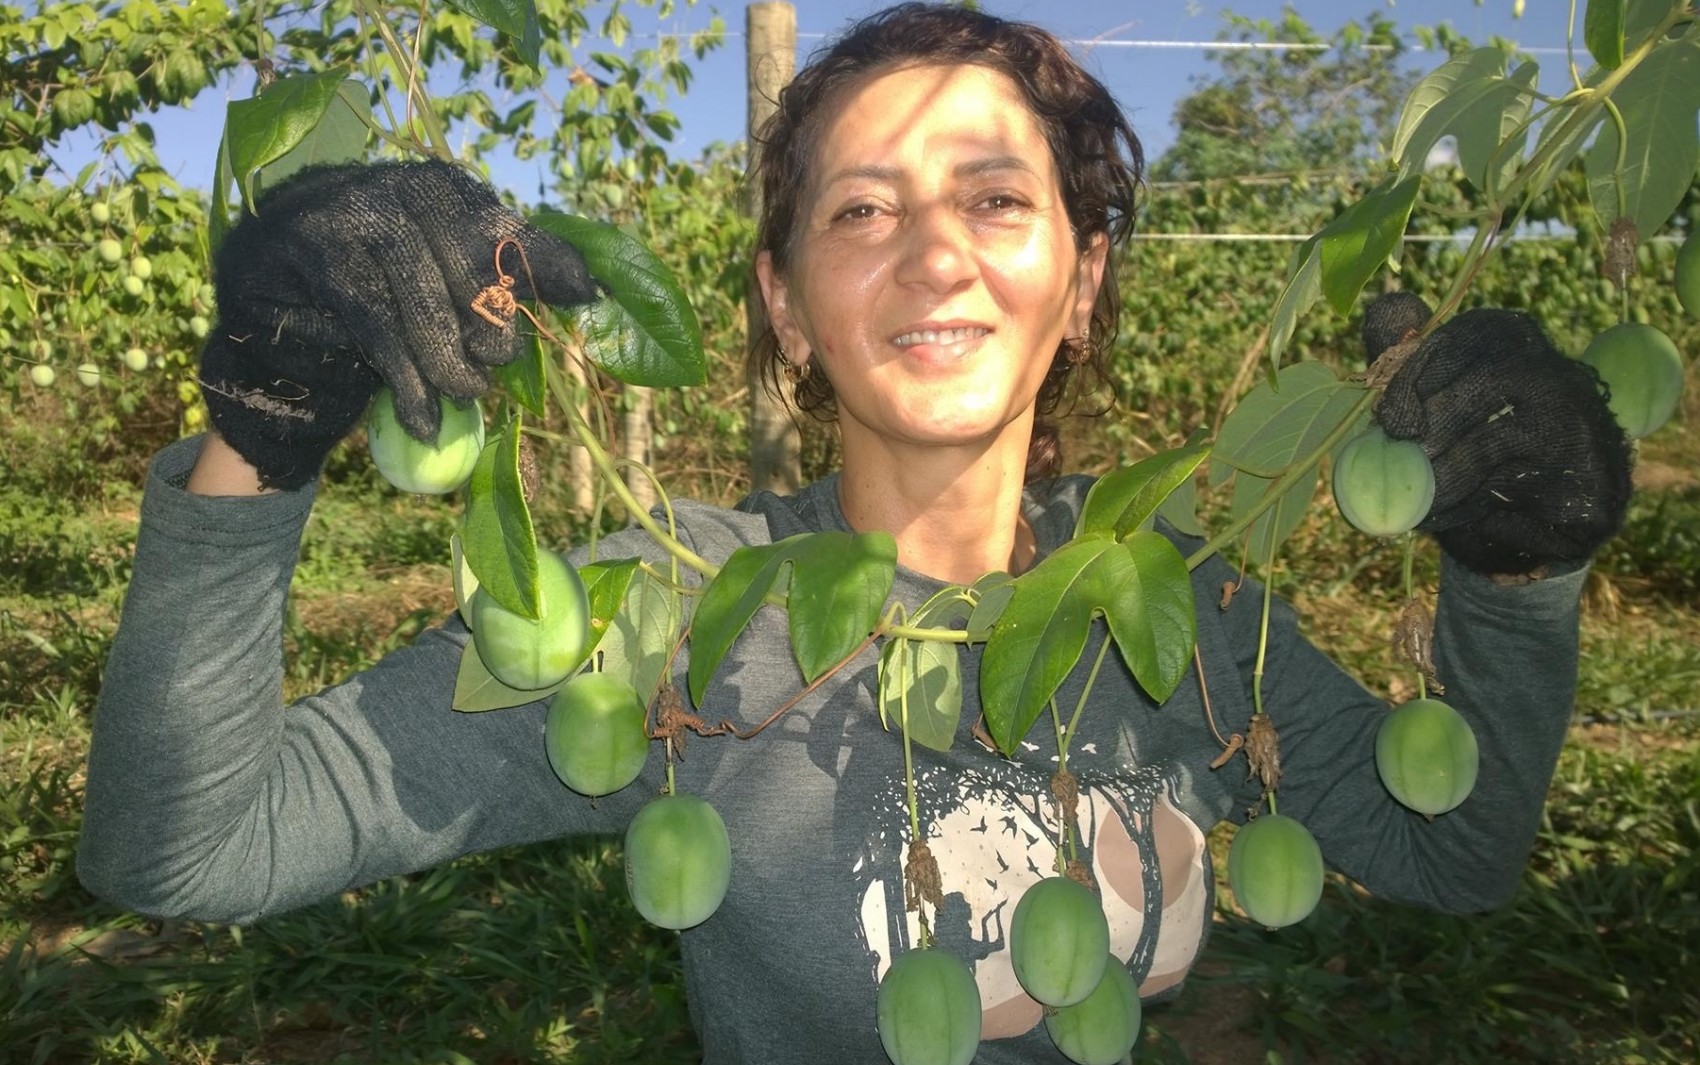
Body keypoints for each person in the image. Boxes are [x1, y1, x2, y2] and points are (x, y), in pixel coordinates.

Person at [77, 4, 1634, 1062]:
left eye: (997, 201)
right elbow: (187, 847)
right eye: (862, 212)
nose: (935, 254)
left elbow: (1457, 846)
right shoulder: (674, 620)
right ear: (785, 308)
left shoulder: (1176, 601)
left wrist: (1517, 571)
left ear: (1082, 286)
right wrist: (262, 439)